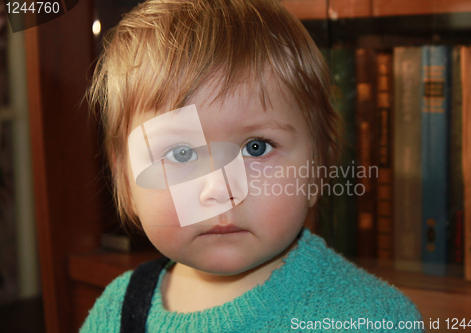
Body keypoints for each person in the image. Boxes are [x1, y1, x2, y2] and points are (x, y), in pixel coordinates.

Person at [81, 0, 423, 332]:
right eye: (181, 153)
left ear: (319, 168)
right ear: (126, 181)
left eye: (256, 148)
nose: (220, 189)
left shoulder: (370, 318)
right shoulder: (118, 309)